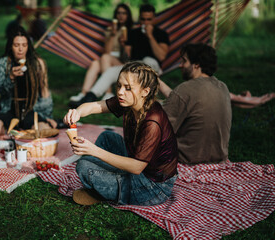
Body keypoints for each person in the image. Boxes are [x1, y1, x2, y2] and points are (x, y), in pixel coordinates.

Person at [63, 61, 178, 206]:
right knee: (107, 137)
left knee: (83, 166)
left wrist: (95, 151)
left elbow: (137, 167)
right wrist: (77, 112)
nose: (120, 92)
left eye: (128, 88)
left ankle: (107, 189)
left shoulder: (152, 122)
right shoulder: (130, 101)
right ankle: (111, 183)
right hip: (138, 164)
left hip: (153, 187)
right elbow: (94, 106)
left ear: (145, 91)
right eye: (119, 86)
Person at [69, 4, 169, 109]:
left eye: (149, 19)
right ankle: (89, 98)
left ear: (154, 19)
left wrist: (150, 36)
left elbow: (161, 56)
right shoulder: (133, 33)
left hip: (151, 66)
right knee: (110, 71)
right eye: (143, 19)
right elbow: (128, 57)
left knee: (146, 60)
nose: (145, 23)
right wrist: (124, 46)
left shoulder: (161, 34)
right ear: (139, 19)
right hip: (134, 66)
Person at [159, 43, 232, 165]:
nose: (180, 65)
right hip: (218, 159)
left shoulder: (185, 89)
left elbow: (159, 129)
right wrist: (158, 82)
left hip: (187, 159)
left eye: (184, 61)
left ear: (196, 64)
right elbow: (182, 99)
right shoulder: (222, 87)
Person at [0, 26, 58, 137]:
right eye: (16, 45)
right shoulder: (4, 62)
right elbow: (2, 92)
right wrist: (11, 77)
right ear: (11, 46)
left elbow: (44, 91)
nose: (20, 49)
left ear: (28, 46)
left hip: (31, 110)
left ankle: (17, 133)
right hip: (9, 110)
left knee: (43, 131)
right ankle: (15, 133)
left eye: (24, 45)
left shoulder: (37, 63)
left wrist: (48, 116)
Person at [69, 3, 133, 103]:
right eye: (119, 13)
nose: (121, 15)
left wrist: (124, 43)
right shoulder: (110, 30)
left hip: (123, 63)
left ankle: (108, 93)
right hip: (108, 59)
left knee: (105, 57)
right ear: (115, 15)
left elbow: (129, 56)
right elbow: (107, 51)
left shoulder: (132, 31)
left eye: (124, 13)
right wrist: (113, 35)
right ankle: (84, 93)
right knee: (96, 63)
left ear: (128, 16)